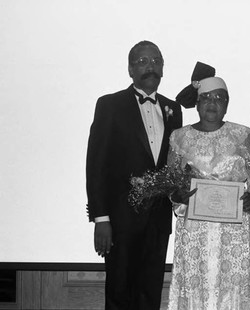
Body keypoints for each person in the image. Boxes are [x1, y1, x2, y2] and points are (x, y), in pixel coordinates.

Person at [86, 40, 182, 310]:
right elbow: (96, 164)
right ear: (130, 69)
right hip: (120, 218)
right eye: (143, 61)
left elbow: (172, 164)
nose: (150, 67)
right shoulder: (110, 105)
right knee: (119, 291)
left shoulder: (173, 109)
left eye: (156, 61)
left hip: (159, 219)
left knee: (149, 292)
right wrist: (101, 218)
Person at [164, 63, 250, 309]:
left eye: (219, 98)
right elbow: (171, 180)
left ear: (227, 104)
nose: (212, 103)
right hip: (194, 227)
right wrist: (178, 195)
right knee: (196, 281)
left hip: (233, 227)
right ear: (197, 103)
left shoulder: (241, 134)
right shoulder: (179, 136)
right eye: (206, 98)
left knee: (232, 284)